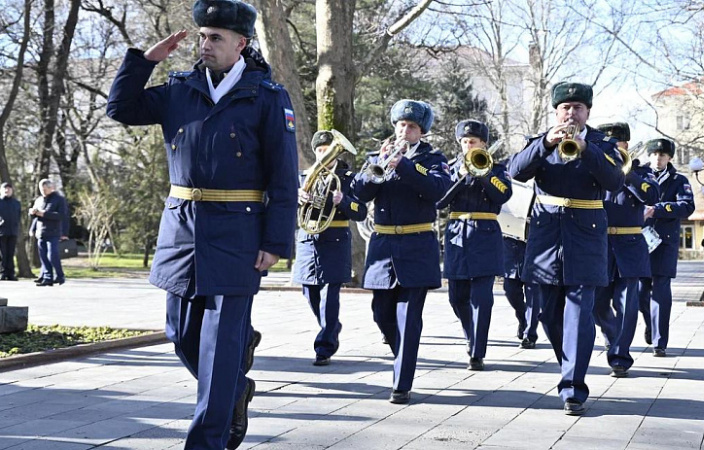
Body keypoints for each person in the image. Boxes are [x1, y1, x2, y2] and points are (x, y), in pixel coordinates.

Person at [105, 0, 299, 448]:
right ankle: (235, 389)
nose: (205, 44)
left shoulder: (267, 95)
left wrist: (275, 241)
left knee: (219, 348)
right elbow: (120, 109)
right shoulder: (179, 89)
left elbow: (283, 175)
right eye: (202, 36)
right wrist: (146, 61)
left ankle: (206, 440)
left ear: (240, 44)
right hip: (182, 229)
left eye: (216, 37)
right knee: (180, 333)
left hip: (239, 231)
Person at [508, 82, 624, 416]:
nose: (571, 113)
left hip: (586, 235)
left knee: (578, 312)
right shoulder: (541, 141)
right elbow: (516, 170)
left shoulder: (601, 143)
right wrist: (546, 143)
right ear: (556, 111)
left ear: (588, 112)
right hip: (546, 236)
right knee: (548, 314)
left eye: (577, 107)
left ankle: (573, 387)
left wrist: (586, 148)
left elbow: (615, 182)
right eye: (565, 108)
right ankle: (570, 365)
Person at [351, 99, 451, 404]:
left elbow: (439, 191)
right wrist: (374, 171)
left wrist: (404, 166)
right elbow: (358, 192)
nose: (404, 132)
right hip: (382, 247)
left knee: (409, 318)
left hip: (417, 244)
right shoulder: (376, 156)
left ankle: (401, 382)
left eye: (411, 127)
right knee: (381, 314)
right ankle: (403, 357)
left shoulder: (433, 159)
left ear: (421, 131)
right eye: (400, 126)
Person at [436, 120, 512, 371]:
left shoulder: (497, 169)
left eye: (473, 142)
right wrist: (460, 177)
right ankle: (471, 336)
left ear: (483, 144)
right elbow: (440, 201)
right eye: (465, 142)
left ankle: (478, 352)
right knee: (456, 298)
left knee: (482, 297)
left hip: (486, 235)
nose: (469, 146)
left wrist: (484, 174)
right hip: (457, 235)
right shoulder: (449, 169)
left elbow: (502, 195)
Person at [292, 130, 367, 366]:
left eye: (329, 150)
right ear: (315, 152)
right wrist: (297, 196)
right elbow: (282, 203)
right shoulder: (303, 177)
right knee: (309, 292)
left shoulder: (348, 178)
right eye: (321, 151)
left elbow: (361, 211)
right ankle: (331, 326)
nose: (325, 155)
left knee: (329, 295)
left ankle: (324, 347)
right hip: (308, 238)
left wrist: (342, 201)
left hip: (335, 238)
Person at [592, 123, 660, 378]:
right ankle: (612, 337)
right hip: (599, 247)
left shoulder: (640, 171)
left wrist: (627, 173)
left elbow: (652, 196)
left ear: (626, 145)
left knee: (626, 305)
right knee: (596, 305)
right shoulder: (594, 170)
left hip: (630, 246)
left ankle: (620, 356)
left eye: (616, 144)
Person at [638, 138, 695, 358]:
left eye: (662, 155)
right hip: (640, 240)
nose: (658, 158)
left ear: (669, 157)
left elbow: (687, 206)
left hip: (664, 242)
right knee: (641, 292)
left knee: (661, 290)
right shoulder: (639, 176)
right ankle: (651, 325)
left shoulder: (679, 180)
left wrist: (657, 209)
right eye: (654, 154)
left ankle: (660, 342)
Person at [28, 179, 69, 286]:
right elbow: (35, 217)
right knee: (43, 256)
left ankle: (60, 276)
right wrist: (32, 214)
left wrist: (45, 214)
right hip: (41, 231)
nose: (43, 192)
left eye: (45, 189)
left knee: (52, 255)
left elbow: (61, 215)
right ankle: (48, 277)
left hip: (53, 232)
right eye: (42, 190)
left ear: (52, 188)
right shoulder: (39, 200)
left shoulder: (59, 199)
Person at [502, 236, 540, 349]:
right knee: (510, 292)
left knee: (533, 298)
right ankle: (523, 318)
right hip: (510, 251)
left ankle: (530, 335)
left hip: (534, 252)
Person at [0, 182, 21, 281]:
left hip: (13, 232)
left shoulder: (16, 203)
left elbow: (18, 217)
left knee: (11, 253)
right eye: (5, 188)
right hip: (1, 232)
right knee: (2, 254)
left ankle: (11, 273)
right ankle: (3, 273)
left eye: (9, 189)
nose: (7, 190)